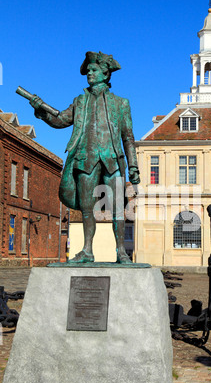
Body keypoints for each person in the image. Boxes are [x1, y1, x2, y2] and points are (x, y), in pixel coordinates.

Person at [30, 51, 140, 263]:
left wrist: (133, 165)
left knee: (117, 207)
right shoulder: (79, 101)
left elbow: (128, 137)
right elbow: (60, 120)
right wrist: (41, 110)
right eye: (87, 70)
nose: (89, 73)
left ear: (105, 73)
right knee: (87, 207)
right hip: (85, 159)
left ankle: (120, 251)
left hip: (113, 159)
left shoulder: (121, 103)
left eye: (93, 70)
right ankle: (87, 250)